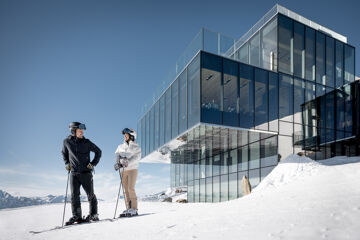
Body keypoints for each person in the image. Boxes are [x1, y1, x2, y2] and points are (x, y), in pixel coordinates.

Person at [62, 122, 102, 225]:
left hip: (86, 173)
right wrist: (67, 163)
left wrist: (93, 164)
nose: (82, 132)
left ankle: (94, 214)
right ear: (73, 131)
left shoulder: (87, 142)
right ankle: (77, 216)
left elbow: (98, 152)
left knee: (90, 195)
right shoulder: (67, 142)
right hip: (74, 173)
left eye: (82, 131)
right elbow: (64, 153)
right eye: (80, 131)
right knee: (74, 195)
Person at [114, 128, 141, 217]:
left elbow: (136, 158)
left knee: (130, 188)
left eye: (126, 135)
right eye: (124, 135)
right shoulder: (120, 146)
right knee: (125, 190)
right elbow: (117, 155)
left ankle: (134, 209)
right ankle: (128, 208)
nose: (124, 136)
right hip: (123, 170)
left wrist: (127, 162)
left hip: (132, 169)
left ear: (132, 136)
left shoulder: (136, 147)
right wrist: (117, 163)